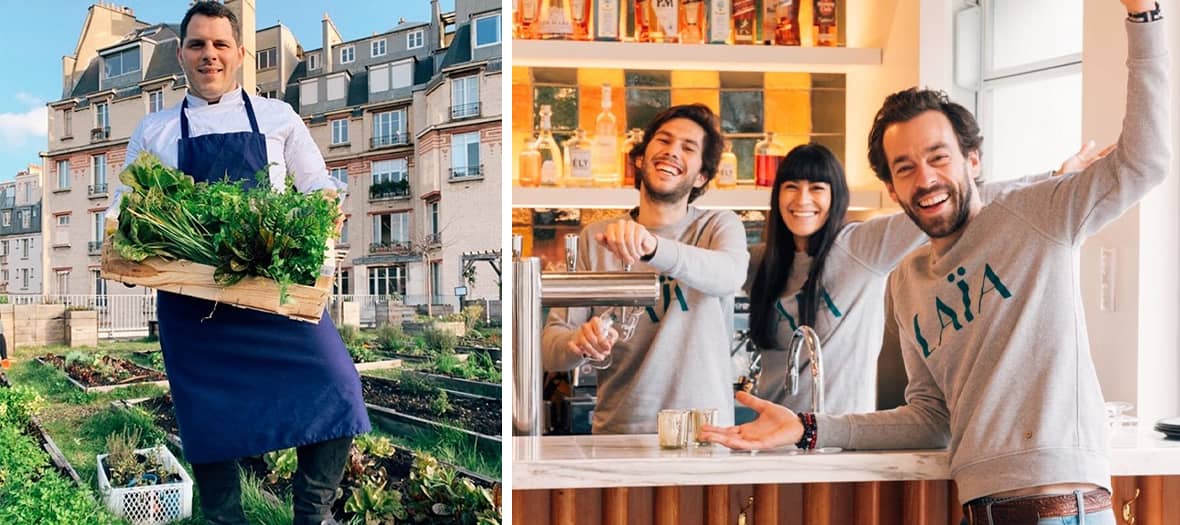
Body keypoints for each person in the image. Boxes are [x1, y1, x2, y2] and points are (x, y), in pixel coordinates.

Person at [702, 2, 1168, 523]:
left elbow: (1144, 162)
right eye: (905, 167)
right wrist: (810, 427)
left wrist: (1143, 16)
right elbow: (930, 418)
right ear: (891, 188)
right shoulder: (907, 281)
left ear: (973, 160)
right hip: (980, 510)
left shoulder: (1036, 215)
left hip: (1063, 509)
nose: (924, 178)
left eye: (938, 157)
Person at [111, 3, 368, 524]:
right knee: (210, 420)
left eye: (220, 44)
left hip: (273, 291)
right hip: (191, 304)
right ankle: (224, 518)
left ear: (240, 53)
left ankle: (312, 514)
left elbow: (319, 186)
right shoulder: (154, 130)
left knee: (340, 390)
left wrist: (326, 210)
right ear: (182, 55)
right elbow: (122, 213)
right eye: (198, 45)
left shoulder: (277, 117)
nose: (210, 55)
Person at [747, 142, 1110, 415]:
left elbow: (960, 201)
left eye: (817, 189)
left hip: (835, 438)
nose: (802, 199)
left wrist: (1052, 179)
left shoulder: (858, 248)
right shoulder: (761, 262)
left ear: (836, 196)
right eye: (791, 187)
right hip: (770, 434)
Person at [541, 104, 750, 433]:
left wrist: (653, 248)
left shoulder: (718, 226)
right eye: (663, 141)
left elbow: (729, 276)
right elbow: (551, 350)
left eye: (687, 147)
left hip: (706, 435)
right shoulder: (594, 240)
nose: (671, 152)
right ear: (640, 157)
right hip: (621, 435)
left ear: (702, 176)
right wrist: (577, 343)